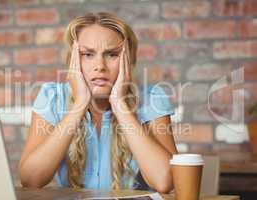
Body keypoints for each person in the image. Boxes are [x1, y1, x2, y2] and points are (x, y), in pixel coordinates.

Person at [19, 12, 177, 193]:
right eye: (87, 54)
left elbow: (166, 181)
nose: (100, 66)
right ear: (73, 60)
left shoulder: (152, 98)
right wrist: (79, 105)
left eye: (112, 55)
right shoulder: (52, 97)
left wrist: (120, 105)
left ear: (129, 59)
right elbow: (30, 180)